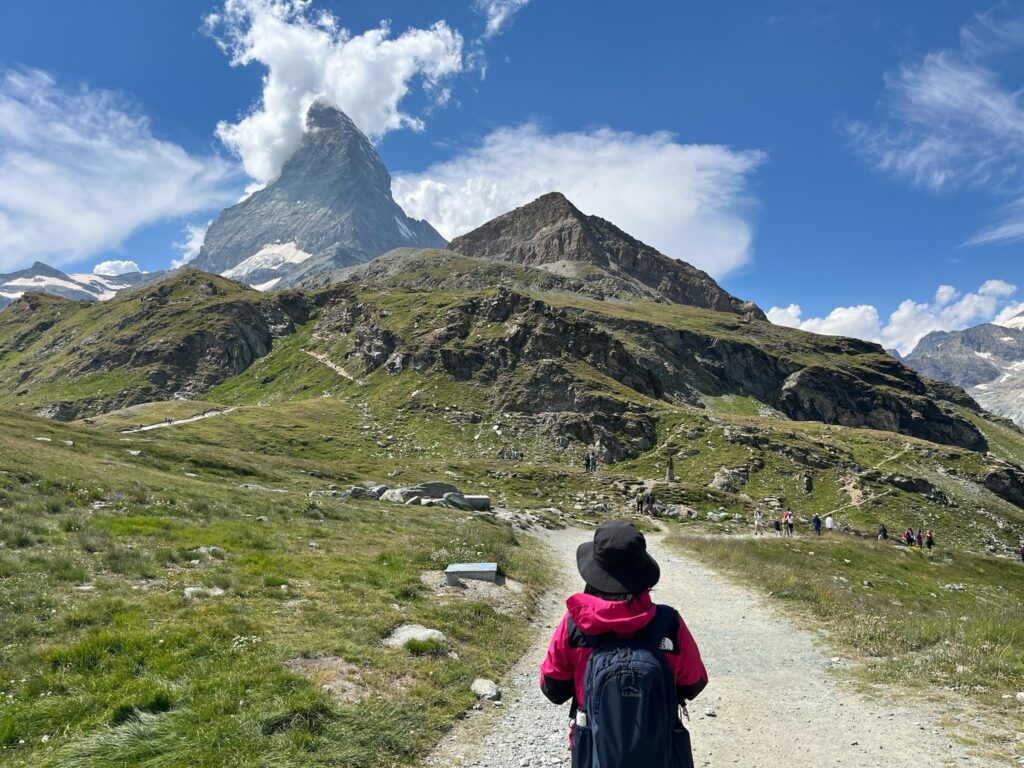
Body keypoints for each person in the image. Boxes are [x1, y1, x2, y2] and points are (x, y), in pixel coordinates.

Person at [540, 521, 707, 767]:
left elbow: (552, 689)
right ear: (643, 572)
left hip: (595, 752)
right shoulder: (669, 622)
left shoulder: (574, 625)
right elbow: (693, 684)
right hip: (660, 753)